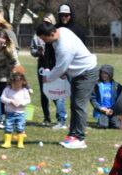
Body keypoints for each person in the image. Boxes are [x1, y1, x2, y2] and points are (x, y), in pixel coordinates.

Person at [36, 21, 98, 149]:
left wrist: (47, 77)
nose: (44, 42)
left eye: (44, 38)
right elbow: (62, 66)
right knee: (74, 104)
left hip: (86, 73)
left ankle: (80, 139)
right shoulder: (62, 30)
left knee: (79, 105)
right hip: (78, 73)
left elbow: (60, 67)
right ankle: (72, 135)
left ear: (51, 33)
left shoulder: (65, 46)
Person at [30, 14, 65, 129]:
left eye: (48, 22)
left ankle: (61, 117)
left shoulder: (57, 37)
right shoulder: (36, 37)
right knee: (44, 92)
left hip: (55, 66)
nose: (45, 24)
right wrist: (38, 52)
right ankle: (47, 118)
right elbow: (32, 51)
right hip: (42, 66)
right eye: (43, 22)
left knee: (57, 92)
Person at [0, 71, 31, 149]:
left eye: (18, 86)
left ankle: (20, 142)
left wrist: (22, 104)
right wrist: (10, 101)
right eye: (15, 86)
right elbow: (2, 98)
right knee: (8, 127)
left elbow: (28, 100)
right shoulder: (7, 89)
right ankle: (7, 142)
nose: (16, 87)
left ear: (23, 83)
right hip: (9, 113)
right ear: (11, 82)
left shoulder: (24, 90)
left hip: (20, 113)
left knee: (20, 127)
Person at [90, 64, 122, 129]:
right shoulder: (97, 85)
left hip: (113, 110)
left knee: (117, 126)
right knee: (103, 126)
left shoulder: (117, 86)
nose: (103, 75)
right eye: (102, 73)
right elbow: (92, 98)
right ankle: (105, 121)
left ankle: (110, 120)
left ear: (110, 74)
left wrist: (113, 109)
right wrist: (99, 108)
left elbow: (120, 100)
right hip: (102, 110)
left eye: (105, 73)